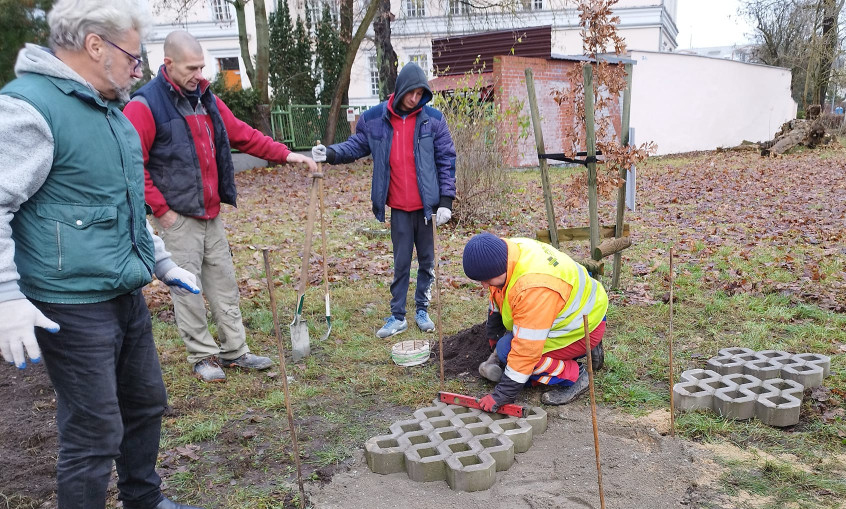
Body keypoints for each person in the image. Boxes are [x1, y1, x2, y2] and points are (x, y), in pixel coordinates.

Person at [0, 0, 209, 509]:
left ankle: (142, 499)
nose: (139, 68)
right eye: (132, 55)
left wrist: (162, 263)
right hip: (67, 302)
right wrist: (6, 297)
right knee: (92, 428)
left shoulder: (111, 112)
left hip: (120, 290)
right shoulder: (28, 109)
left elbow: (121, 205)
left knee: (144, 402)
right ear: (95, 45)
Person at [124, 30, 317, 383]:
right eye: (191, 68)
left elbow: (242, 133)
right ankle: (203, 356)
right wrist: (161, 211)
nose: (199, 74)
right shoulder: (144, 105)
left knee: (224, 284)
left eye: (202, 66)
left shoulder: (206, 98)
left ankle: (235, 351)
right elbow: (132, 166)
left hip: (211, 213)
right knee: (187, 288)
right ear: (168, 64)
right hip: (176, 218)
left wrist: (287, 155)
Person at [312, 62, 455, 339]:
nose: (415, 99)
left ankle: (422, 310)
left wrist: (446, 201)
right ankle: (398, 315)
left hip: (427, 208)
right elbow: (356, 146)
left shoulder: (433, 120)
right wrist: (328, 153)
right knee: (401, 263)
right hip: (399, 207)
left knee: (427, 261)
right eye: (411, 93)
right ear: (400, 88)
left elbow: (446, 159)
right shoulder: (375, 118)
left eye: (420, 94)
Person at [462, 233, 608, 408]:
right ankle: (586, 347)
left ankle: (575, 375)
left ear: (499, 268)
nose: (484, 285)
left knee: (508, 351)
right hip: (580, 312)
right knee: (504, 346)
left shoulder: (534, 288)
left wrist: (502, 395)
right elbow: (497, 297)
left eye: (486, 279)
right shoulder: (509, 252)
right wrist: (494, 335)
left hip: (580, 327)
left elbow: (526, 351)